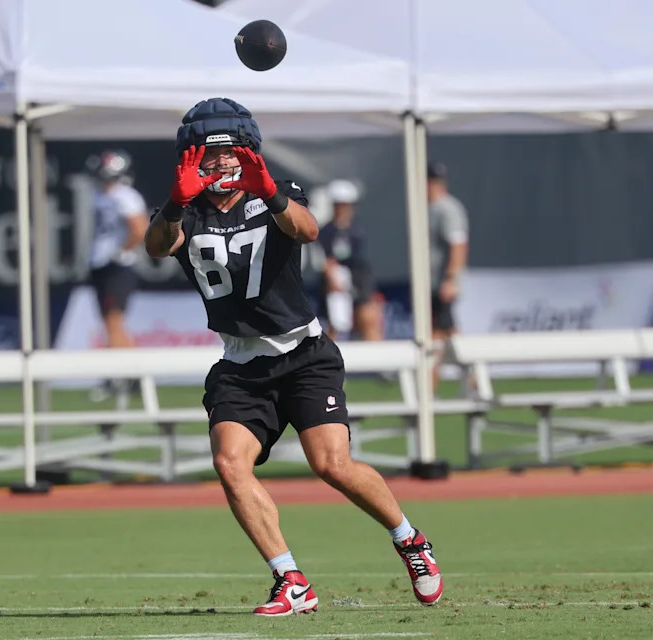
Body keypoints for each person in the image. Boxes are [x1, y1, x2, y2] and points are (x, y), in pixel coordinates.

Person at [144, 97, 442, 616]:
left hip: (303, 354)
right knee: (229, 463)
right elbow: (155, 246)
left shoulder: (276, 192)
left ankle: (410, 539)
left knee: (332, 464)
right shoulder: (184, 210)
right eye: (209, 154)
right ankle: (291, 579)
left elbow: (307, 229)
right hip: (241, 365)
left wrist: (270, 192)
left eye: (229, 152)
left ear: (249, 152)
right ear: (191, 158)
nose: (220, 162)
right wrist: (173, 203)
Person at [85, 150, 150, 402]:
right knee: (111, 323)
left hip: (117, 267)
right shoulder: (102, 195)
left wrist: (121, 251)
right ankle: (132, 376)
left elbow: (139, 229)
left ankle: (118, 377)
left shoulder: (126, 196)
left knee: (113, 321)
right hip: (103, 264)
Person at [317, 179, 383, 341]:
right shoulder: (326, 232)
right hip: (335, 281)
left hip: (359, 278)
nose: (345, 210)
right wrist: (332, 276)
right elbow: (325, 260)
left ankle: (377, 356)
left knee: (368, 318)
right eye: (340, 205)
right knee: (335, 322)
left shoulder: (358, 230)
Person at [427, 162, 469, 390]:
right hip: (432, 284)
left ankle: (472, 381)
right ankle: (431, 387)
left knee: (441, 334)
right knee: (440, 334)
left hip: (442, 284)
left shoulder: (447, 209)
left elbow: (458, 245)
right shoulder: (430, 208)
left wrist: (451, 279)